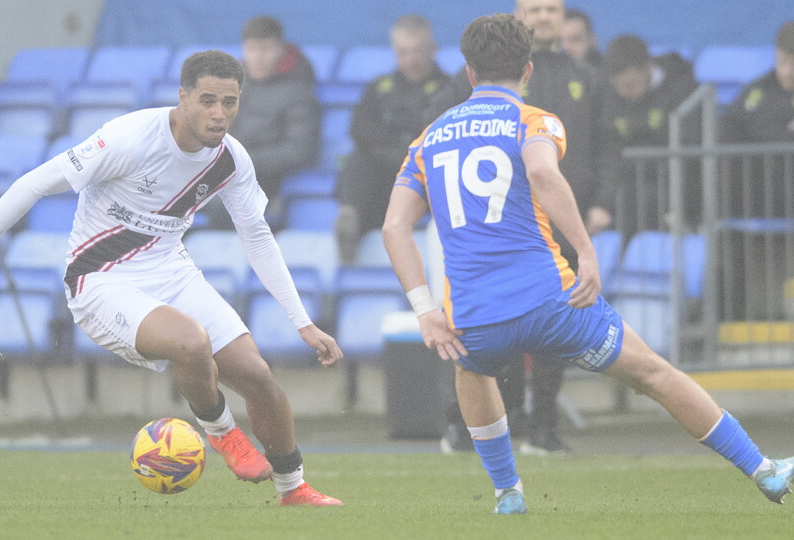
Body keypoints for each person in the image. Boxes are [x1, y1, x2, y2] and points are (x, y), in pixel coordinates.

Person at [382, 13, 794, 514]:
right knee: (653, 373)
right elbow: (541, 170)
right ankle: (763, 469)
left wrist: (425, 309)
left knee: (472, 370)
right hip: (550, 302)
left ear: (469, 73)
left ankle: (507, 492)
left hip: (476, 315)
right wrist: (585, 251)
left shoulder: (429, 139)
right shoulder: (533, 121)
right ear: (528, 70)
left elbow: (394, 228)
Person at [0, 50, 342, 506]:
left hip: (170, 269)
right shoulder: (128, 138)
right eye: (207, 100)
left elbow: (258, 238)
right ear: (183, 97)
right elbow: (32, 184)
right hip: (100, 279)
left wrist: (302, 321)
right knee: (190, 342)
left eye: (230, 102)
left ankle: (293, 489)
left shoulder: (231, 159)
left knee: (257, 375)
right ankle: (223, 433)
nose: (219, 113)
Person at [429, 0, 602, 458]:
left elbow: (607, 148)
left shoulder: (586, 78)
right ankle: (484, 426)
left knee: (556, 330)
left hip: (565, 219)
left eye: (551, 9)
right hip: (504, 228)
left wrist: (602, 203)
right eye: (533, 8)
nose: (543, 16)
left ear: (564, 18)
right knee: (499, 328)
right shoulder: (474, 80)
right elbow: (436, 133)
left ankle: (543, 428)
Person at [719, 21, 794, 320]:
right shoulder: (758, 88)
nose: (788, 72)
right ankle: (729, 314)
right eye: (783, 62)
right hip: (746, 194)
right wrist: (781, 130)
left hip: (792, 193)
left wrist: (759, 129)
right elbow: (728, 127)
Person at [333, 14, 449, 263]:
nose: (410, 59)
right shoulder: (379, 88)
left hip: (426, 180)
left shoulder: (450, 89)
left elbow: (437, 138)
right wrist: (398, 147)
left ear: (433, 48)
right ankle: (349, 223)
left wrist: (394, 144)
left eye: (417, 51)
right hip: (384, 178)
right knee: (358, 160)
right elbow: (359, 129)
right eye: (403, 52)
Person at [204, 16, 321, 228]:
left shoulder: (298, 89)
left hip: (268, 179)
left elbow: (299, 151)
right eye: (252, 49)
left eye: (265, 49)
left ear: (280, 49)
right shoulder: (233, 83)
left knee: (219, 206)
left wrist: (241, 162)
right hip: (224, 171)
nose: (257, 57)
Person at [595, 34, 699, 236]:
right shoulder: (609, 97)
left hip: (672, 192)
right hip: (628, 190)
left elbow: (689, 153)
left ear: (650, 66)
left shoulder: (682, 92)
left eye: (631, 84)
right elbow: (608, 148)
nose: (625, 92)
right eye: (619, 86)